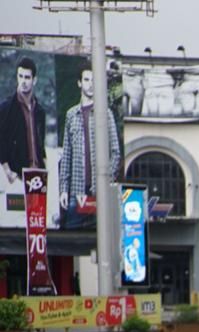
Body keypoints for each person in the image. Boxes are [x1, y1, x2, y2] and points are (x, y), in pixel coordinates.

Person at [58, 64, 121, 230]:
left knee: (102, 240)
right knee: (72, 240)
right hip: (76, 192)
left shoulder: (105, 113)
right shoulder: (72, 115)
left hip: (99, 193)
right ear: (80, 83)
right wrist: (63, 189)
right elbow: (67, 155)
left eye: (94, 80)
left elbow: (115, 152)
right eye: (86, 79)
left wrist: (105, 181)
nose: (91, 84)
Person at [0, 57, 47, 189]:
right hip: (18, 177)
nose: (23, 81)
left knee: (38, 210)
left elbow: (41, 144)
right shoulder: (6, 108)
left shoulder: (40, 111)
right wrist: (8, 171)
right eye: (20, 76)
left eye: (27, 77)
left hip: (38, 176)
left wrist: (45, 168)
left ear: (34, 80)